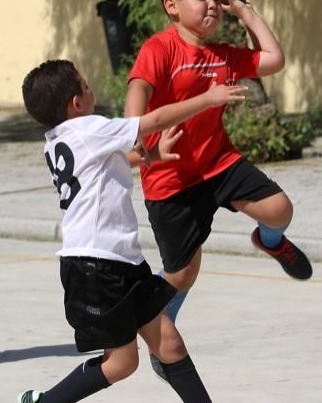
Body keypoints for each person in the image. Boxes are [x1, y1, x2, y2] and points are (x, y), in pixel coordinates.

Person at [124, 0, 313, 376]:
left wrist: (245, 12)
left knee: (279, 209)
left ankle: (269, 241)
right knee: (183, 272)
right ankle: (160, 331)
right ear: (172, 6)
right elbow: (139, 89)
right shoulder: (160, 49)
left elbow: (274, 59)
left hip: (217, 164)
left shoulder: (223, 54)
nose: (211, 5)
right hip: (170, 178)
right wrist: (134, 136)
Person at [19, 59, 246, 403]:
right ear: (75, 103)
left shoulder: (59, 138)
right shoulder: (88, 127)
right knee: (123, 363)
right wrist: (208, 99)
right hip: (95, 266)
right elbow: (151, 121)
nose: (90, 88)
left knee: (168, 343)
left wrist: (152, 155)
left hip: (121, 260)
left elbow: (107, 165)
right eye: (86, 85)